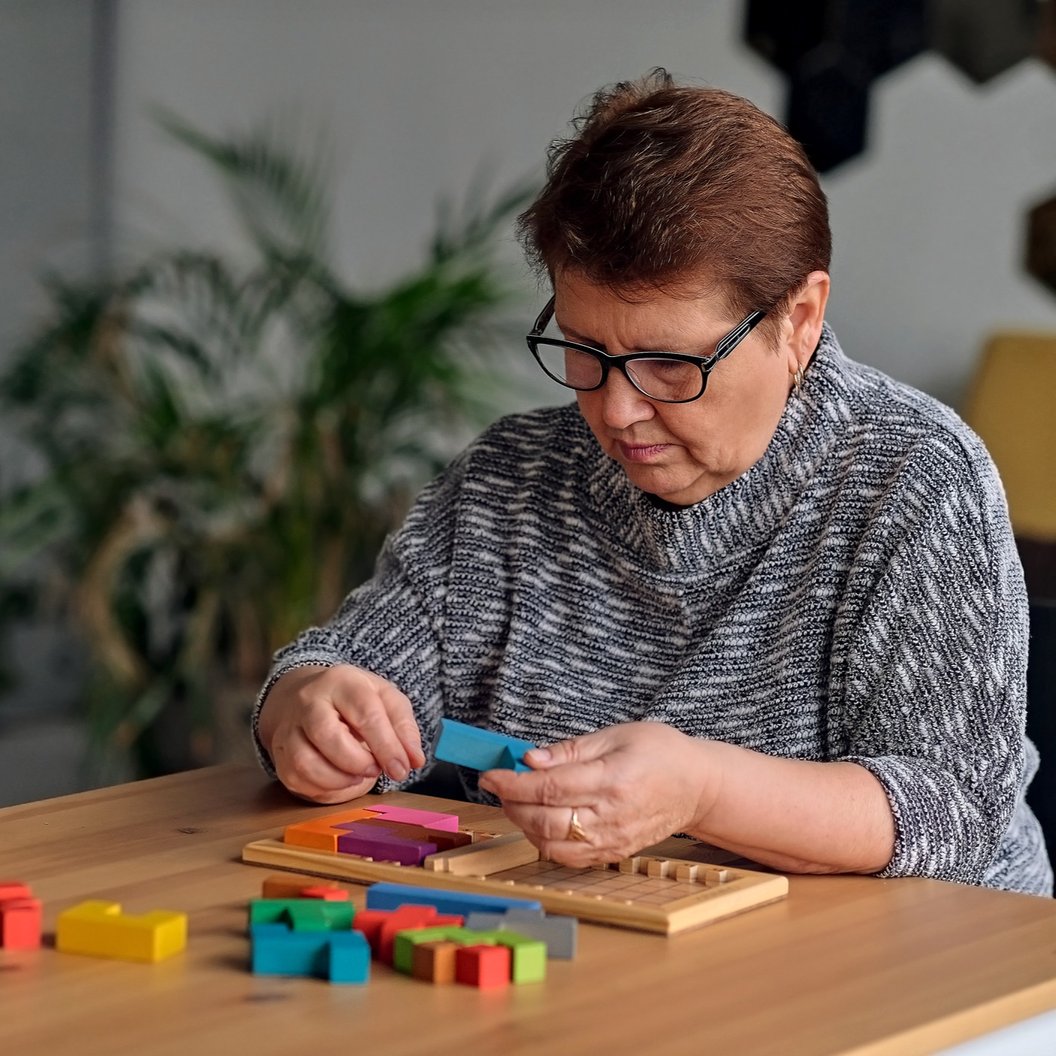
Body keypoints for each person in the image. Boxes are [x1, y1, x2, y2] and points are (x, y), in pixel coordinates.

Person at [252, 69, 1052, 896]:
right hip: (613, 946)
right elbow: (347, 669)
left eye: (671, 365)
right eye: (585, 351)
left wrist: (701, 789)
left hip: (930, 972)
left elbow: (949, 812)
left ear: (800, 320)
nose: (618, 410)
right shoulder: (511, 479)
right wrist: (309, 708)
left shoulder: (917, 480)